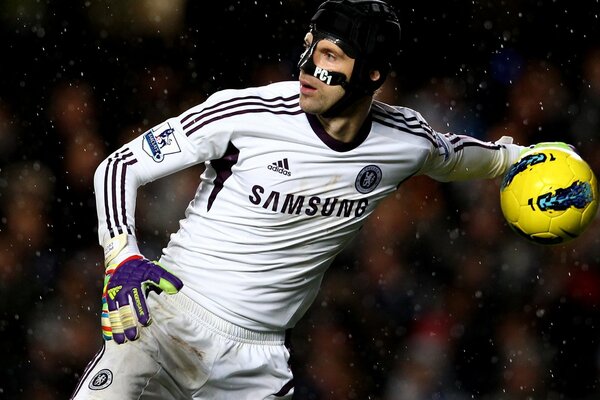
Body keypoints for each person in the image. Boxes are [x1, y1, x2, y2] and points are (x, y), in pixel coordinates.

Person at [71, 1, 557, 398]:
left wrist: (521, 158)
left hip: (257, 363)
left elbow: (462, 157)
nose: (307, 67)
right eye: (308, 49)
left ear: (371, 74)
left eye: (328, 56)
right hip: (165, 324)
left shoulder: (404, 141)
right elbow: (119, 166)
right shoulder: (248, 112)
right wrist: (122, 256)